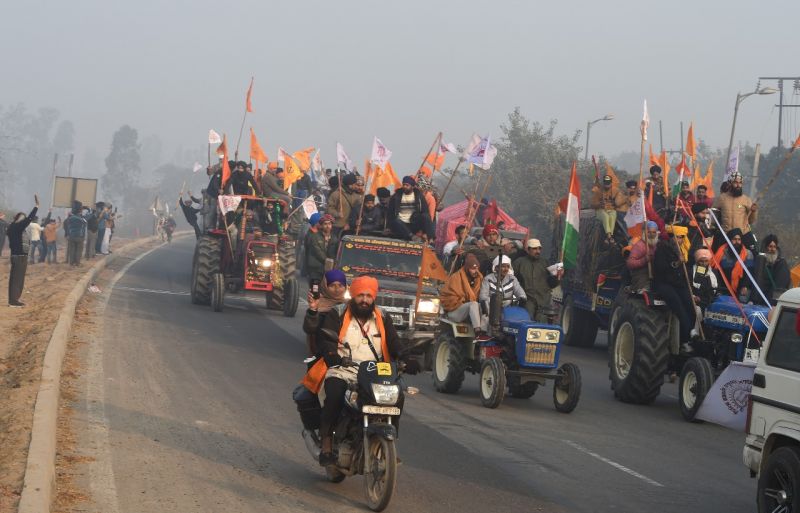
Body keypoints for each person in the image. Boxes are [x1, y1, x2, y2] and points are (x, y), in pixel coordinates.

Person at [316, 276, 418, 466]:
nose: (364, 300)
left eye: (369, 296)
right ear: (353, 296)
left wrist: (405, 357)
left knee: (397, 396)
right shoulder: (337, 313)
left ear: (374, 298)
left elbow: (394, 342)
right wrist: (332, 355)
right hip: (344, 369)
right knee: (335, 394)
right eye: (360, 295)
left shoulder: (382, 316)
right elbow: (326, 340)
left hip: (375, 372)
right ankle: (327, 442)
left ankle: (389, 444)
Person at [653, 225, 696, 350]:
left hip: (679, 284)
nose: (680, 240)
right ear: (672, 237)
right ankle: (686, 337)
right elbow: (660, 268)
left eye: (682, 237)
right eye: (678, 237)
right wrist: (677, 263)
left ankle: (689, 336)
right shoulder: (662, 248)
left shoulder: (684, 250)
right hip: (664, 283)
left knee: (690, 306)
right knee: (679, 307)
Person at [513, 239, 562, 322]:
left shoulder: (545, 263)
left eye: (539, 249)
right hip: (527, 300)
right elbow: (511, 279)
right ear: (528, 249)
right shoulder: (519, 263)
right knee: (527, 323)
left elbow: (552, 284)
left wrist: (558, 277)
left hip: (543, 301)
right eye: (535, 249)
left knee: (541, 325)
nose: (538, 251)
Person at [303, 269, 348, 356]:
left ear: (346, 287)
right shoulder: (318, 304)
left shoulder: (350, 306)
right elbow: (309, 329)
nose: (337, 289)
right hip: (322, 354)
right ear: (324, 286)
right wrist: (313, 310)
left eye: (340, 285)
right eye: (332, 285)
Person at [441, 253, 485, 336]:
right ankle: (478, 331)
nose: (476, 271)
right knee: (473, 304)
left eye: (477, 268)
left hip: (469, 311)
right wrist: (463, 299)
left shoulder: (479, 278)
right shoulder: (456, 277)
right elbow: (447, 298)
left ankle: (485, 331)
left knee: (482, 305)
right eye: (473, 269)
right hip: (454, 311)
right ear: (467, 268)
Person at [713, 172, 758, 251]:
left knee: (754, 254)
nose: (738, 185)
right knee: (716, 254)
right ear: (730, 183)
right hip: (725, 234)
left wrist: (754, 212)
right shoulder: (721, 198)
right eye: (735, 182)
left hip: (743, 234)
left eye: (740, 183)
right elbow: (712, 215)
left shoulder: (746, 200)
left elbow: (751, 221)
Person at [7, 197, 38, 307]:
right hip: (19, 256)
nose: (25, 220)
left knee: (15, 279)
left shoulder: (13, 227)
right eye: (23, 218)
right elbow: (29, 219)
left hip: (17, 255)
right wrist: (36, 207)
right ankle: (14, 301)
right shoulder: (17, 227)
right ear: (19, 218)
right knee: (17, 279)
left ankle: (13, 299)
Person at [387, 176, 433, 241]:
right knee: (396, 221)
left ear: (412, 186)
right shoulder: (396, 196)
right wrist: (388, 227)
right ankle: (412, 236)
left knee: (426, 216)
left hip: (413, 223)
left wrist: (425, 232)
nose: (405, 186)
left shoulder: (419, 196)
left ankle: (430, 239)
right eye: (404, 185)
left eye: (407, 185)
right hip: (401, 224)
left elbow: (425, 211)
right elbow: (390, 213)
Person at [714, 228, 755, 300]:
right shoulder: (721, 253)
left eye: (739, 239)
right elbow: (717, 272)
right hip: (723, 287)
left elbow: (750, 273)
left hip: (741, 287)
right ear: (729, 240)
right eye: (734, 239)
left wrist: (745, 286)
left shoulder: (748, 254)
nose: (737, 242)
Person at [754, 234, 791, 305]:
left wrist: (769, 302)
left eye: (774, 247)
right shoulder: (760, 261)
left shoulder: (781, 264)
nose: (772, 249)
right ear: (765, 247)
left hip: (771, 302)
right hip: (759, 301)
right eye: (770, 246)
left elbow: (779, 285)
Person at [590, 174, 626, 241]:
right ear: (603, 183)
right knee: (605, 216)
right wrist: (599, 204)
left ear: (611, 183)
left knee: (613, 215)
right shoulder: (598, 191)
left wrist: (618, 201)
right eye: (606, 183)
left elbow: (620, 202)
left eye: (608, 183)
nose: (607, 185)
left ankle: (610, 235)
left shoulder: (616, 191)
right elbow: (592, 204)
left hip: (611, 210)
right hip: (600, 210)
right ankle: (609, 236)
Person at [304, 214, 338, 284]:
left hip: (329, 270)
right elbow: (318, 253)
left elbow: (335, 253)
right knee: (315, 291)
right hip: (316, 270)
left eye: (329, 224)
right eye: (325, 224)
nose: (328, 226)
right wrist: (328, 262)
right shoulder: (315, 237)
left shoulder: (335, 238)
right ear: (321, 225)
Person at [626, 221, 659, 291]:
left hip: (655, 274)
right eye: (649, 232)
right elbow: (629, 263)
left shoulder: (657, 245)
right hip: (641, 276)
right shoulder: (639, 245)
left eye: (654, 232)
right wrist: (644, 260)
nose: (652, 235)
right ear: (645, 233)